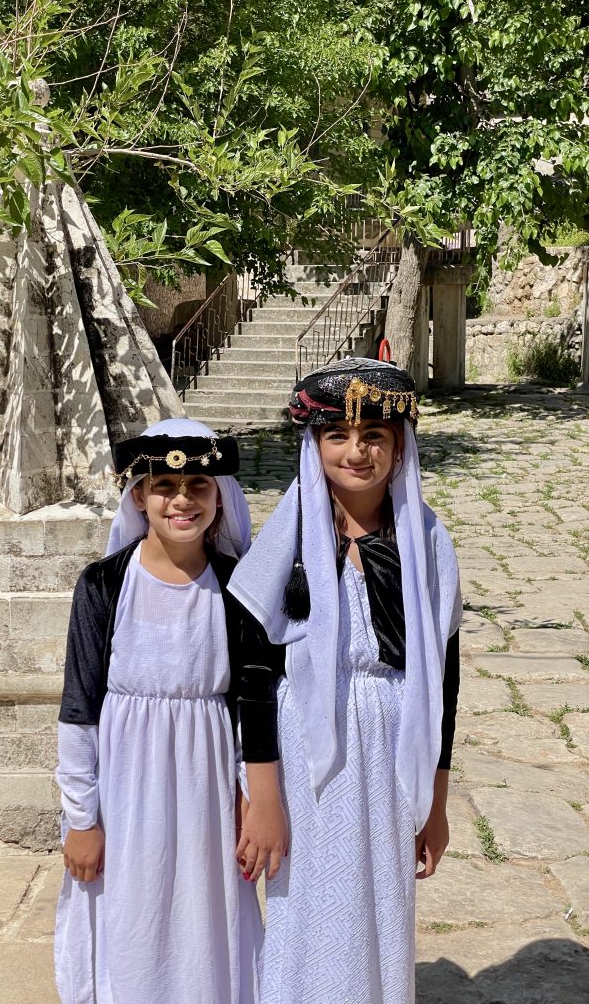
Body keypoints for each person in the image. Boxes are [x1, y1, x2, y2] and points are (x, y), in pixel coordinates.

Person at [229, 358, 462, 1004]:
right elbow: (254, 673)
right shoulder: (289, 539)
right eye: (338, 435)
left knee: (384, 909)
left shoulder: (427, 542)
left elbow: (444, 684)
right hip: (307, 754)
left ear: (399, 445)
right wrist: (263, 798)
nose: (357, 452)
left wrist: (437, 804)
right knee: (307, 908)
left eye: (374, 436)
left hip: (393, 749)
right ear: (315, 444)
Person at [54, 417, 285, 1004]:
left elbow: (250, 703)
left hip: (207, 786)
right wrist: (82, 819)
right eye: (164, 486)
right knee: (132, 909)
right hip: (126, 787)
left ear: (220, 496)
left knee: (204, 915)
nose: (182, 500)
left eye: (199, 485)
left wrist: (251, 793)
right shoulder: (103, 585)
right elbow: (80, 708)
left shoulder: (238, 588)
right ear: (139, 497)